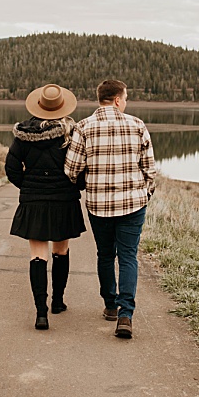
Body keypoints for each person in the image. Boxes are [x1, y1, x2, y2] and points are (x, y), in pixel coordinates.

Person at [65, 79, 158, 339]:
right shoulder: (137, 125)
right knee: (128, 256)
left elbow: (71, 170)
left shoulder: (83, 127)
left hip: (99, 205)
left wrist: (90, 184)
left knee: (106, 254)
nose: (126, 102)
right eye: (125, 98)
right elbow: (149, 169)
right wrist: (144, 195)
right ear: (118, 100)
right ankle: (126, 314)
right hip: (133, 204)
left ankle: (110, 306)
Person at [5, 83, 87, 331]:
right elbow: (79, 166)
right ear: (62, 107)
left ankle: (41, 313)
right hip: (64, 200)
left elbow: (11, 169)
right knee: (61, 251)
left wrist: (29, 186)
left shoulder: (22, 134)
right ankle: (58, 302)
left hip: (34, 202)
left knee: (37, 256)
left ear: (38, 106)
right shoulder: (71, 133)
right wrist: (76, 186)